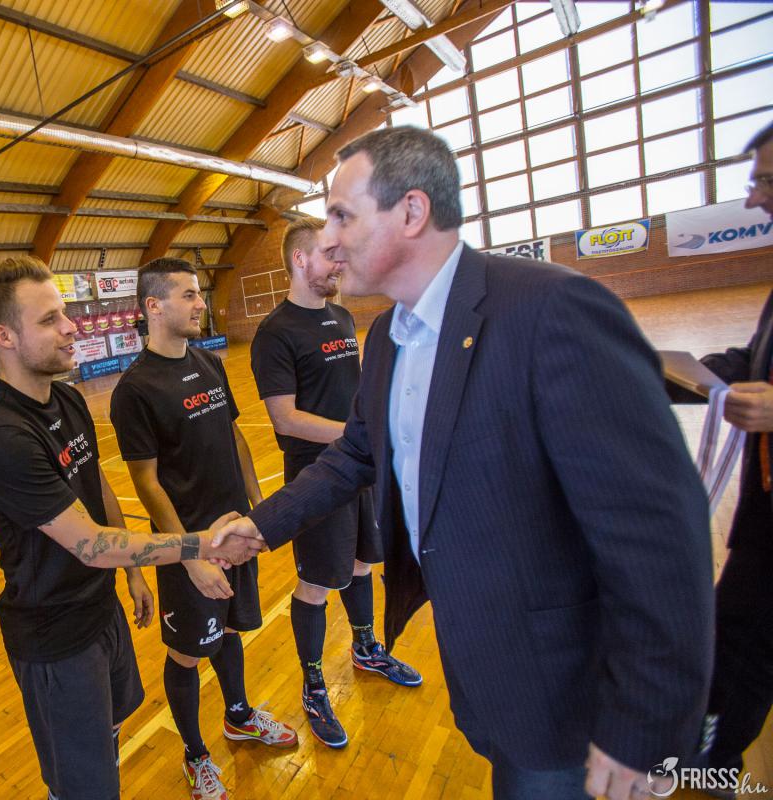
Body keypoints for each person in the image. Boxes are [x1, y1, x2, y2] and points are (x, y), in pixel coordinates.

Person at [213, 127, 714, 800]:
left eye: (342, 216)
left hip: (564, 695)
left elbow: (659, 533)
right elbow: (357, 452)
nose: (328, 240)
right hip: (485, 669)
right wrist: (261, 524)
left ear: (412, 212)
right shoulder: (389, 336)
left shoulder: (551, 308)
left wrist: (645, 732)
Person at [0, 256, 259, 800]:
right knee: (84, 782)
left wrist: (134, 577)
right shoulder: (1, 437)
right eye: (50, 319)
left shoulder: (67, 399)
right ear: (4, 337)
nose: (71, 327)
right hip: (55, 638)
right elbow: (91, 544)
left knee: (111, 738)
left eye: (64, 313)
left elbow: (98, 490)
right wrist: (196, 546)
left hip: (102, 611)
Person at [109, 258, 297, 800]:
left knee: (231, 630)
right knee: (189, 653)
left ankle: (239, 717)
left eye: (199, 294)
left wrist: (260, 508)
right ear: (154, 306)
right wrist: (188, 554)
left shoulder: (209, 363)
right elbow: (146, 483)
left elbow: (234, 437)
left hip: (237, 535)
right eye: (189, 295)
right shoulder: (135, 390)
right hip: (188, 548)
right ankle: (195, 755)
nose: (200, 304)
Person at [250, 217, 421, 750]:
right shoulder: (275, 332)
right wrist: (359, 434)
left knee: (364, 562)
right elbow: (285, 420)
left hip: (361, 466)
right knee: (318, 583)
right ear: (300, 259)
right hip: (318, 477)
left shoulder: (343, 316)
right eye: (330, 255)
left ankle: (366, 649)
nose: (340, 264)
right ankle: (313, 684)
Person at [700, 121, 773, 790]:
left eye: (765, 182)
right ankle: (708, 739)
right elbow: (753, 360)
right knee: (731, 625)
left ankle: (719, 765)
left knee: (752, 648)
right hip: (762, 513)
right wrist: (669, 371)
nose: (753, 199)